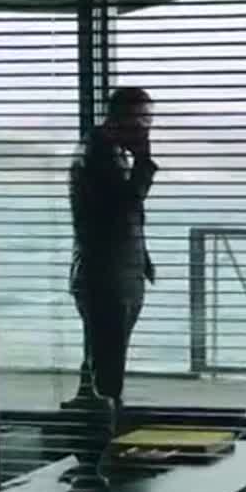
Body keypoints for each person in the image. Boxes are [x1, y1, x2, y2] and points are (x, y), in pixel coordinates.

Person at [63, 87, 157, 423]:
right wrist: (144, 161)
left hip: (116, 268)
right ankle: (104, 424)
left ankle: (91, 412)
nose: (147, 128)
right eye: (141, 119)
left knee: (102, 349)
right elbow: (123, 206)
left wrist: (142, 258)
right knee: (108, 355)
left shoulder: (107, 151)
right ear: (119, 117)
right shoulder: (99, 154)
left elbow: (121, 215)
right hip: (107, 272)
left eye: (149, 120)